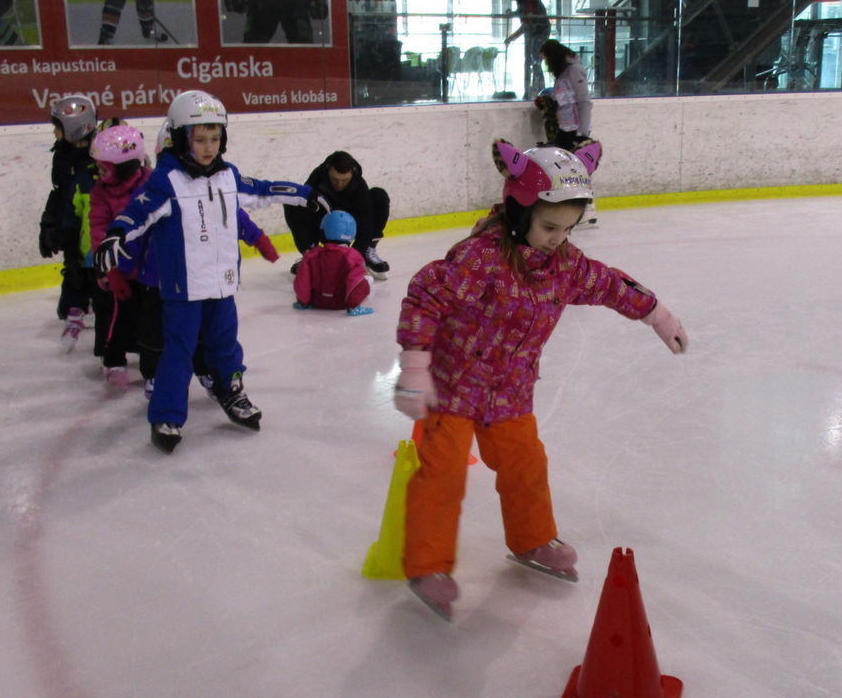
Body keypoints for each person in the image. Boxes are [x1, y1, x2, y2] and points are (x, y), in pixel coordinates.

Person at [393, 139, 688, 620]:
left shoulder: (564, 265)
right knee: (442, 475)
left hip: (510, 393)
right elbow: (426, 297)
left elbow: (609, 284)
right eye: (550, 227)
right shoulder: (479, 259)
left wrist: (657, 313)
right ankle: (426, 565)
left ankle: (532, 540)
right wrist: (414, 365)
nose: (558, 238)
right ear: (517, 210)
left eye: (569, 229)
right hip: (451, 389)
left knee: (526, 465)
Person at [93, 89, 323, 453]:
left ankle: (232, 393)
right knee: (178, 352)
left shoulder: (228, 176)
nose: (208, 147)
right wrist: (115, 237)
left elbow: (262, 191)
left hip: (223, 285)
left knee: (225, 346)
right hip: (183, 289)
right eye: (200, 139)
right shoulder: (167, 182)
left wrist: (305, 193)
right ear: (182, 138)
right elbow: (137, 213)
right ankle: (167, 414)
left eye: (215, 138)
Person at [88, 122, 151, 388]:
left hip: (152, 266)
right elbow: (99, 231)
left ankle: (153, 363)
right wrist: (107, 269)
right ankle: (114, 359)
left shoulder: (152, 182)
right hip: (122, 269)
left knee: (153, 318)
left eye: (104, 168)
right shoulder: (100, 193)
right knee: (122, 316)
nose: (99, 173)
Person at [39, 94, 99, 350]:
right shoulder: (62, 157)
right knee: (74, 271)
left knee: (97, 276)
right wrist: (48, 224)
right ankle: (75, 309)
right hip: (71, 224)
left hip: (94, 230)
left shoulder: (99, 155)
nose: (54, 132)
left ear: (74, 128)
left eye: (58, 127)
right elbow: (58, 192)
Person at [283, 150, 390, 280]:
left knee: (379, 195)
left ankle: (367, 252)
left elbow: (366, 224)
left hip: (350, 226)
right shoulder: (317, 178)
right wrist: (309, 250)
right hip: (323, 224)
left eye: (344, 180)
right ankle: (311, 256)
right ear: (328, 170)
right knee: (293, 200)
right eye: (334, 179)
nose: (339, 184)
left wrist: (354, 257)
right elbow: (305, 209)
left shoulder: (359, 186)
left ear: (353, 172)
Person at [293, 209, 373, 316]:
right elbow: (355, 281)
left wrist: (303, 302)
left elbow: (303, 280)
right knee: (367, 280)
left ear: (323, 231)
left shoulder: (311, 255)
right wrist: (353, 305)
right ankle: (355, 308)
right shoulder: (354, 256)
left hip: (317, 302)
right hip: (342, 303)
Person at [536, 38, 593, 152]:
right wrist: (546, 101)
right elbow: (563, 95)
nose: (546, 64)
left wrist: (582, 134)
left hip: (575, 129)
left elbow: (584, 101)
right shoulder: (562, 72)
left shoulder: (574, 70)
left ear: (552, 57)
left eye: (546, 59)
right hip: (564, 127)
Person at [504, 0, 551, 99]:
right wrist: (511, 37)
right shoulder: (521, 0)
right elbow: (525, 23)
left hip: (540, 31)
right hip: (533, 31)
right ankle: (530, 90)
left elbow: (526, 20)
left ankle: (539, 89)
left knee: (535, 59)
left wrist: (512, 35)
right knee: (529, 60)